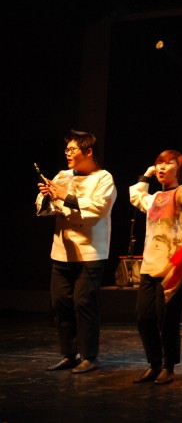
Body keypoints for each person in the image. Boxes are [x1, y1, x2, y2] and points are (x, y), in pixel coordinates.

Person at [129, 150, 182, 385]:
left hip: (173, 268)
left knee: (166, 319)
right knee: (144, 317)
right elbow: (136, 196)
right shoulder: (154, 198)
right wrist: (147, 173)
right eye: (159, 163)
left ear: (180, 170)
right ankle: (154, 364)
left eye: (168, 164)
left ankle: (168, 366)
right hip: (150, 266)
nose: (161, 167)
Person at [36, 129, 117, 374]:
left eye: (72, 150)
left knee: (84, 302)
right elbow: (47, 209)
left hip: (90, 251)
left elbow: (98, 209)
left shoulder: (104, 178)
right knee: (60, 302)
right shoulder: (62, 176)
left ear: (88, 151)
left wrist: (65, 196)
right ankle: (69, 354)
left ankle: (89, 356)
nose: (68, 154)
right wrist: (47, 197)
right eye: (67, 150)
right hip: (62, 249)